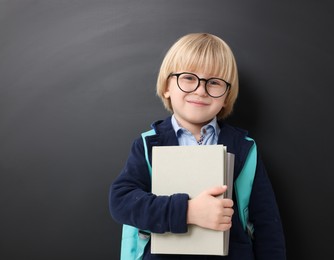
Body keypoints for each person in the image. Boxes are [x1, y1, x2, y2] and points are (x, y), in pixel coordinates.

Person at [109, 33, 286, 259]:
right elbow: (121, 202)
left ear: (225, 96)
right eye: (188, 78)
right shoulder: (147, 144)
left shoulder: (244, 148)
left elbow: (267, 224)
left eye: (213, 82)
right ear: (167, 87)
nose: (201, 90)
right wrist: (188, 212)